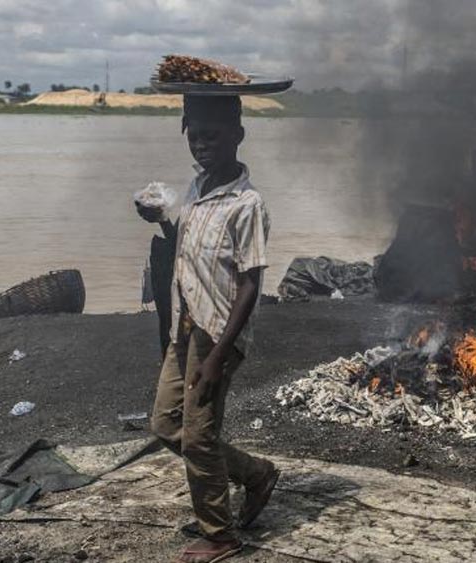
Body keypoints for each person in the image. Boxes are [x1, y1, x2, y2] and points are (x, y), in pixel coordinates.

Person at [139, 95, 278, 563]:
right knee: (164, 423)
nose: (201, 145)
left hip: (219, 334)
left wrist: (219, 355)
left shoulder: (248, 204)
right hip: (187, 324)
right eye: (194, 136)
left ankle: (220, 535)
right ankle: (255, 474)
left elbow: (250, 284)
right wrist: (159, 221)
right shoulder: (197, 188)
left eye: (211, 136)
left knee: (198, 435)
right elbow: (188, 250)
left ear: (236, 136)